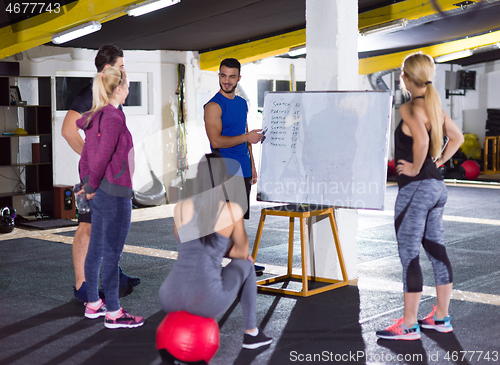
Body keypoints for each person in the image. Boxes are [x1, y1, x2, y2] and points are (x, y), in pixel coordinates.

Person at [376, 52, 464, 340]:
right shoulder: (434, 106)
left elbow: (423, 140)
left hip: (416, 191)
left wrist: (415, 167)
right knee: (437, 252)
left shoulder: (410, 108)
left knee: (409, 255)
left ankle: (410, 325)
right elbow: (458, 138)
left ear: (405, 77)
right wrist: (437, 163)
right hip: (437, 188)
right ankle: (441, 318)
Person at [158, 153, 272, 349]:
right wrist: (222, 249)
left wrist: (215, 248)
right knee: (246, 264)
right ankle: (251, 333)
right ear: (224, 179)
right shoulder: (232, 210)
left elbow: (183, 242)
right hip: (206, 300)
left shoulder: (181, 207)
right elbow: (242, 252)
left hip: (169, 296)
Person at [61, 45, 140, 303]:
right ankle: (81, 286)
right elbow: (68, 130)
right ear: (108, 68)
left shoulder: (111, 94)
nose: (124, 70)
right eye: (122, 65)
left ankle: (114, 275)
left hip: (113, 178)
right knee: (88, 227)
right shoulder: (89, 94)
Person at [76, 67, 144, 329]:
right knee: (112, 254)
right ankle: (114, 313)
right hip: (113, 194)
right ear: (118, 89)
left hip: (102, 193)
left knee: (96, 251)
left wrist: (87, 184)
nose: (128, 90)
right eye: (127, 86)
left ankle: (94, 304)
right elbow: (102, 156)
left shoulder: (95, 116)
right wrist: (91, 185)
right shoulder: (113, 117)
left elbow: (86, 157)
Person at [203, 58, 265, 274]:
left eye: (231, 76)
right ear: (219, 76)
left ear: (239, 78)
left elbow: (245, 134)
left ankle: (240, 259)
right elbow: (217, 141)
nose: (226, 81)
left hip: (243, 169)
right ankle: (215, 263)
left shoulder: (242, 103)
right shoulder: (213, 106)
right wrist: (247, 136)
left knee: (237, 219)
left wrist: (253, 166)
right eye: (223, 75)